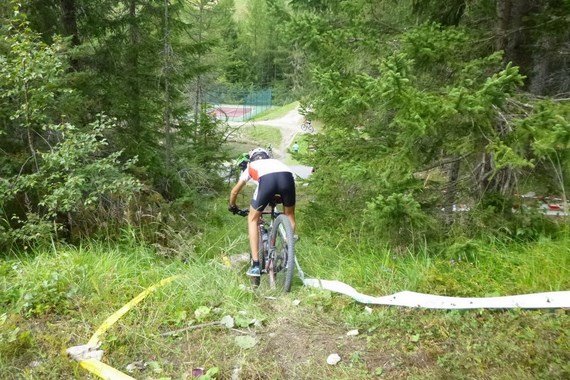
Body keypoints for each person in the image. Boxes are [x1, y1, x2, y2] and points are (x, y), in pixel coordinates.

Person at [228, 147, 296, 277]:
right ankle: (289, 254)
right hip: (287, 178)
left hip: (267, 181)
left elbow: (234, 191)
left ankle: (255, 265)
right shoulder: (277, 162)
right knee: (289, 215)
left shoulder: (251, 165)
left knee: (252, 219)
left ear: (251, 158)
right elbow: (283, 178)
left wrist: (232, 205)